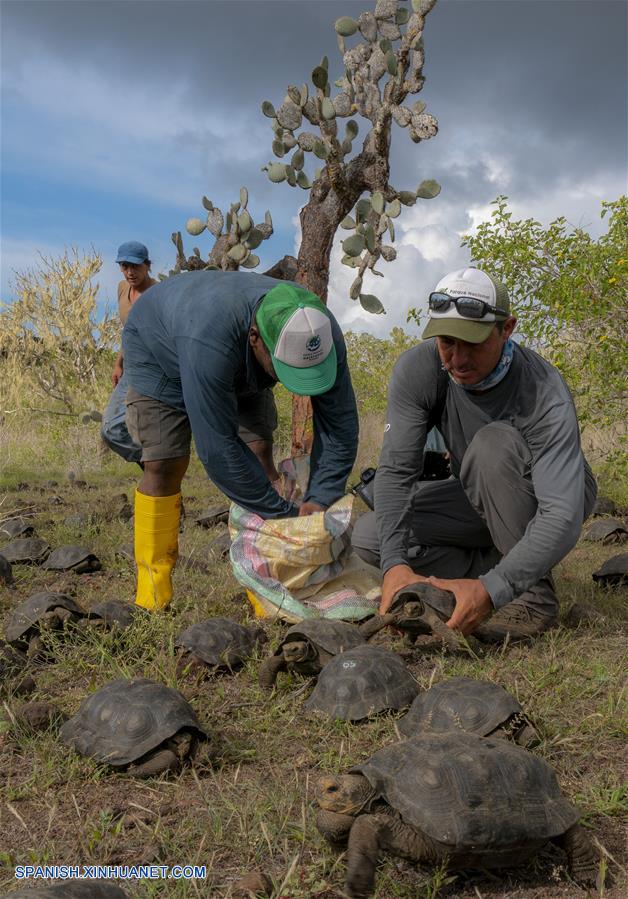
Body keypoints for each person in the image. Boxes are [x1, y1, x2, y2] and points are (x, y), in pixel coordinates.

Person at [352, 266, 597, 642]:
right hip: (477, 492)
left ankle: (532, 599)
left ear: (507, 329)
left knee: (491, 446)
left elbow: (561, 514)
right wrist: (395, 567)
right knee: (371, 537)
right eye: (447, 342)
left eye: (474, 343)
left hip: (551, 494)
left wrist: (493, 591)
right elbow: (397, 472)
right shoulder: (420, 370)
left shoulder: (543, 390)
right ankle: (500, 566)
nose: (458, 359)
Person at [122, 270, 359, 612]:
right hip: (161, 347)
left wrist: (321, 498)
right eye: (287, 370)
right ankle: (152, 593)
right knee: (165, 462)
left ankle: (266, 584)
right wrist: (283, 516)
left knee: (259, 451)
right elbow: (218, 448)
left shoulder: (319, 331)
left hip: (239, 359)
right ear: (256, 339)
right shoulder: (208, 339)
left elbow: (339, 424)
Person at [101, 241, 157, 464]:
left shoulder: (158, 293)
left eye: (135, 266)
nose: (130, 272)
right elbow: (129, 331)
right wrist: (119, 363)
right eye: (124, 266)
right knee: (112, 430)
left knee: (122, 428)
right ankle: (155, 468)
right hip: (131, 365)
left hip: (153, 367)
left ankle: (157, 469)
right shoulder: (122, 288)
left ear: (147, 265)